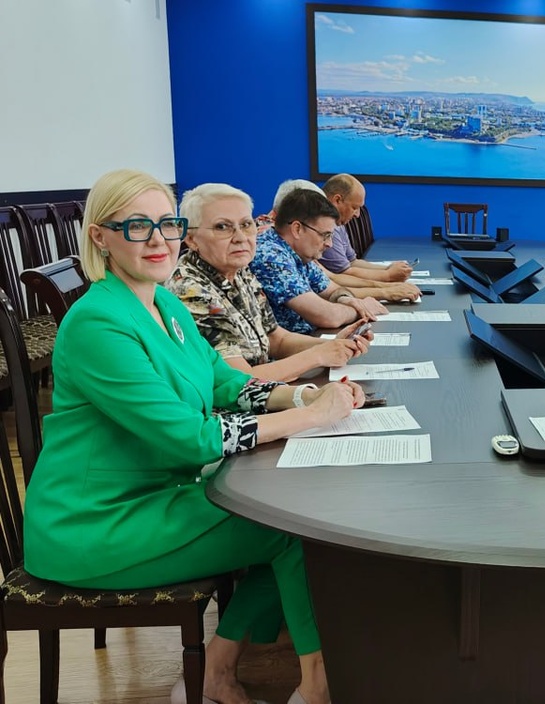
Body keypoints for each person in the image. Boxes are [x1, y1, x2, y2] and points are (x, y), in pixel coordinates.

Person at [23, 168, 359, 704]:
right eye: (137, 226)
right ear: (100, 236)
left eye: (168, 224)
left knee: (294, 522)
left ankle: (219, 675)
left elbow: (225, 382)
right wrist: (312, 417)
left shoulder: (165, 303)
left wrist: (304, 398)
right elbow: (190, 439)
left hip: (157, 497)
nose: (159, 239)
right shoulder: (95, 324)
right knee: (294, 528)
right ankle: (310, 685)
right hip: (95, 524)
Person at [171, 183, 372, 382]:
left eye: (246, 224)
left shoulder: (239, 271)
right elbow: (239, 381)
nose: (240, 237)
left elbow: (276, 338)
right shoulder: (191, 290)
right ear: (191, 239)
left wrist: (334, 345)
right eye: (222, 227)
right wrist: (318, 355)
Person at [249, 189, 387, 334]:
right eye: (325, 235)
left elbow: (333, 290)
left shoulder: (299, 253)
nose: (329, 244)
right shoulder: (270, 257)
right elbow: (327, 316)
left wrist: (345, 298)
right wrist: (360, 309)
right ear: (297, 229)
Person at [270, 178, 421, 304]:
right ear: (297, 226)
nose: (328, 244)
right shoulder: (272, 254)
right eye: (325, 235)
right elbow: (324, 313)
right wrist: (384, 288)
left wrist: (385, 289)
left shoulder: (301, 250)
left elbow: (333, 283)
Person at [320, 173, 413, 282]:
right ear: (337, 200)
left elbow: (353, 262)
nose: (357, 215)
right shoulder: (325, 224)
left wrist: (389, 269)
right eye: (354, 207)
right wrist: (388, 275)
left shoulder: (338, 222)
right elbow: (343, 273)